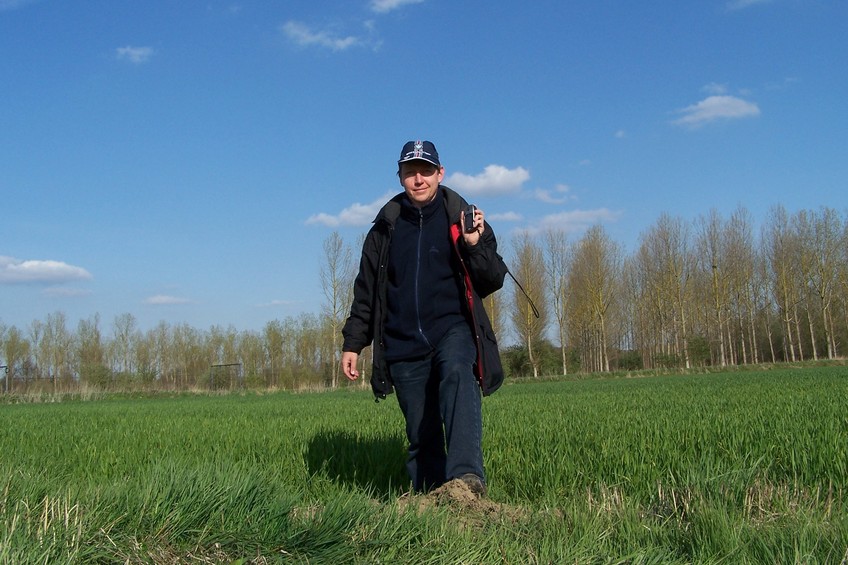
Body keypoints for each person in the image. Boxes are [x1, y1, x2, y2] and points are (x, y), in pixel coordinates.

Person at [341, 140, 508, 496]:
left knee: (459, 376)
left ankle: (466, 482)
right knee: (421, 433)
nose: (419, 179)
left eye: (426, 171)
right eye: (410, 172)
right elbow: (366, 291)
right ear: (400, 176)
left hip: (452, 329)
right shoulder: (384, 229)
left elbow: (493, 280)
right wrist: (353, 343)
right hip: (402, 342)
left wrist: (474, 243)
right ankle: (431, 502)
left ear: (440, 173)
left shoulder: (462, 218)